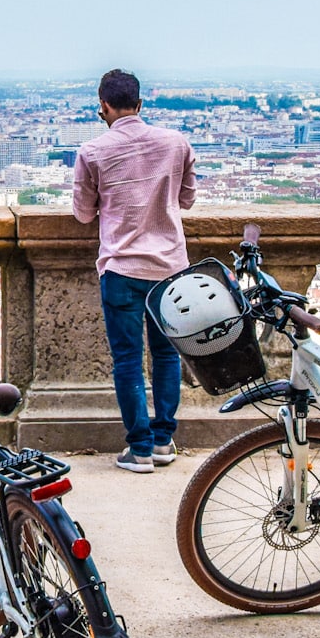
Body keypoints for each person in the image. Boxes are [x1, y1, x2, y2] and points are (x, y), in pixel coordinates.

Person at [72, 68, 197, 474]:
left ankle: (139, 447)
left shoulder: (93, 152)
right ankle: (163, 440)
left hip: (122, 266)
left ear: (103, 106)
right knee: (166, 355)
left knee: (127, 361)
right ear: (140, 104)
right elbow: (188, 200)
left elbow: (82, 213)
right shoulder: (176, 143)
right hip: (169, 267)